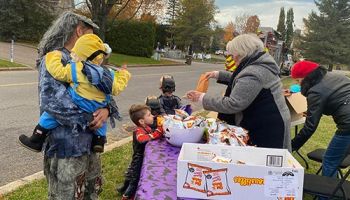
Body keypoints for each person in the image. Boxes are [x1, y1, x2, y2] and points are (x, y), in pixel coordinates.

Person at [35, 11, 120, 199]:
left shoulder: (88, 61)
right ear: (80, 31)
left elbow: (104, 91)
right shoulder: (55, 59)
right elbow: (54, 102)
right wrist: (92, 117)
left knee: (89, 191)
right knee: (67, 194)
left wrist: (106, 110)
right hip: (66, 148)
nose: (96, 41)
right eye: (92, 34)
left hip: (90, 145)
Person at [19, 33, 131, 153]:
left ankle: (36, 139)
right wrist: (124, 74)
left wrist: (53, 56)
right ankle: (99, 141)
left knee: (50, 116)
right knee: (100, 122)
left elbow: (58, 72)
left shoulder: (77, 69)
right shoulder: (108, 73)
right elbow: (117, 88)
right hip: (97, 107)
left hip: (79, 102)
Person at [186, 34, 291, 150]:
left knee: (262, 160)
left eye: (233, 54)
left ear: (242, 52)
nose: (232, 58)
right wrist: (218, 75)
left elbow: (233, 103)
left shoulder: (254, 72)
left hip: (266, 126)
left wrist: (202, 98)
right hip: (269, 118)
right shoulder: (257, 63)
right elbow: (242, 82)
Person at [290, 61, 350, 180]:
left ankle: (327, 196)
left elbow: (310, 127)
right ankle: (335, 189)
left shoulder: (315, 91)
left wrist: (292, 146)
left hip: (348, 125)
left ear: (306, 77)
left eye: (298, 80)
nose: (298, 84)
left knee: (329, 161)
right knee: (336, 158)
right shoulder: (335, 76)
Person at [117, 104, 164, 199]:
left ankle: (122, 188)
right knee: (135, 179)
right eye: (149, 115)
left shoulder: (146, 127)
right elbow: (142, 139)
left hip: (141, 156)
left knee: (131, 174)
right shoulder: (139, 131)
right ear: (142, 121)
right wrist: (157, 132)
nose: (153, 116)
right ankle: (126, 196)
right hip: (138, 159)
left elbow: (152, 133)